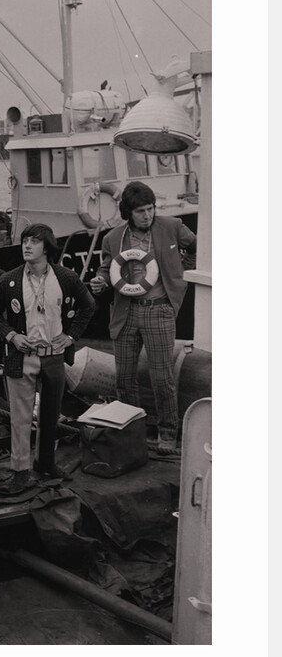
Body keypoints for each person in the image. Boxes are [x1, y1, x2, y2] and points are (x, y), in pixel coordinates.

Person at [89, 180, 197, 457]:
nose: (147, 215)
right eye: (140, 211)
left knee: (162, 378)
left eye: (150, 209)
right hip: (126, 311)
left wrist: (179, 274)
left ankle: (168, 434)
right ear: (129, 212)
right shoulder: (112, 238)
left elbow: (198, 247)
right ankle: (132, 432)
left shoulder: (172, 226)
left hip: (159, 310)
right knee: (124, 379)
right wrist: (100, 282)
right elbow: (105, 269)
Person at [0, 223, 96, 483]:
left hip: (53, 357)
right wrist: (12, 336)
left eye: (34, 242)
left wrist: (70, 338)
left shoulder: (66, 278)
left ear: (46, 247)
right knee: (21, 418)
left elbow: (88, 306)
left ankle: (46, 464)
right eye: (25, 241)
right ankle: (20, 470)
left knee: (50, 417)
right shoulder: (9, 280)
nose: (26, 246)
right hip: (21, 358)